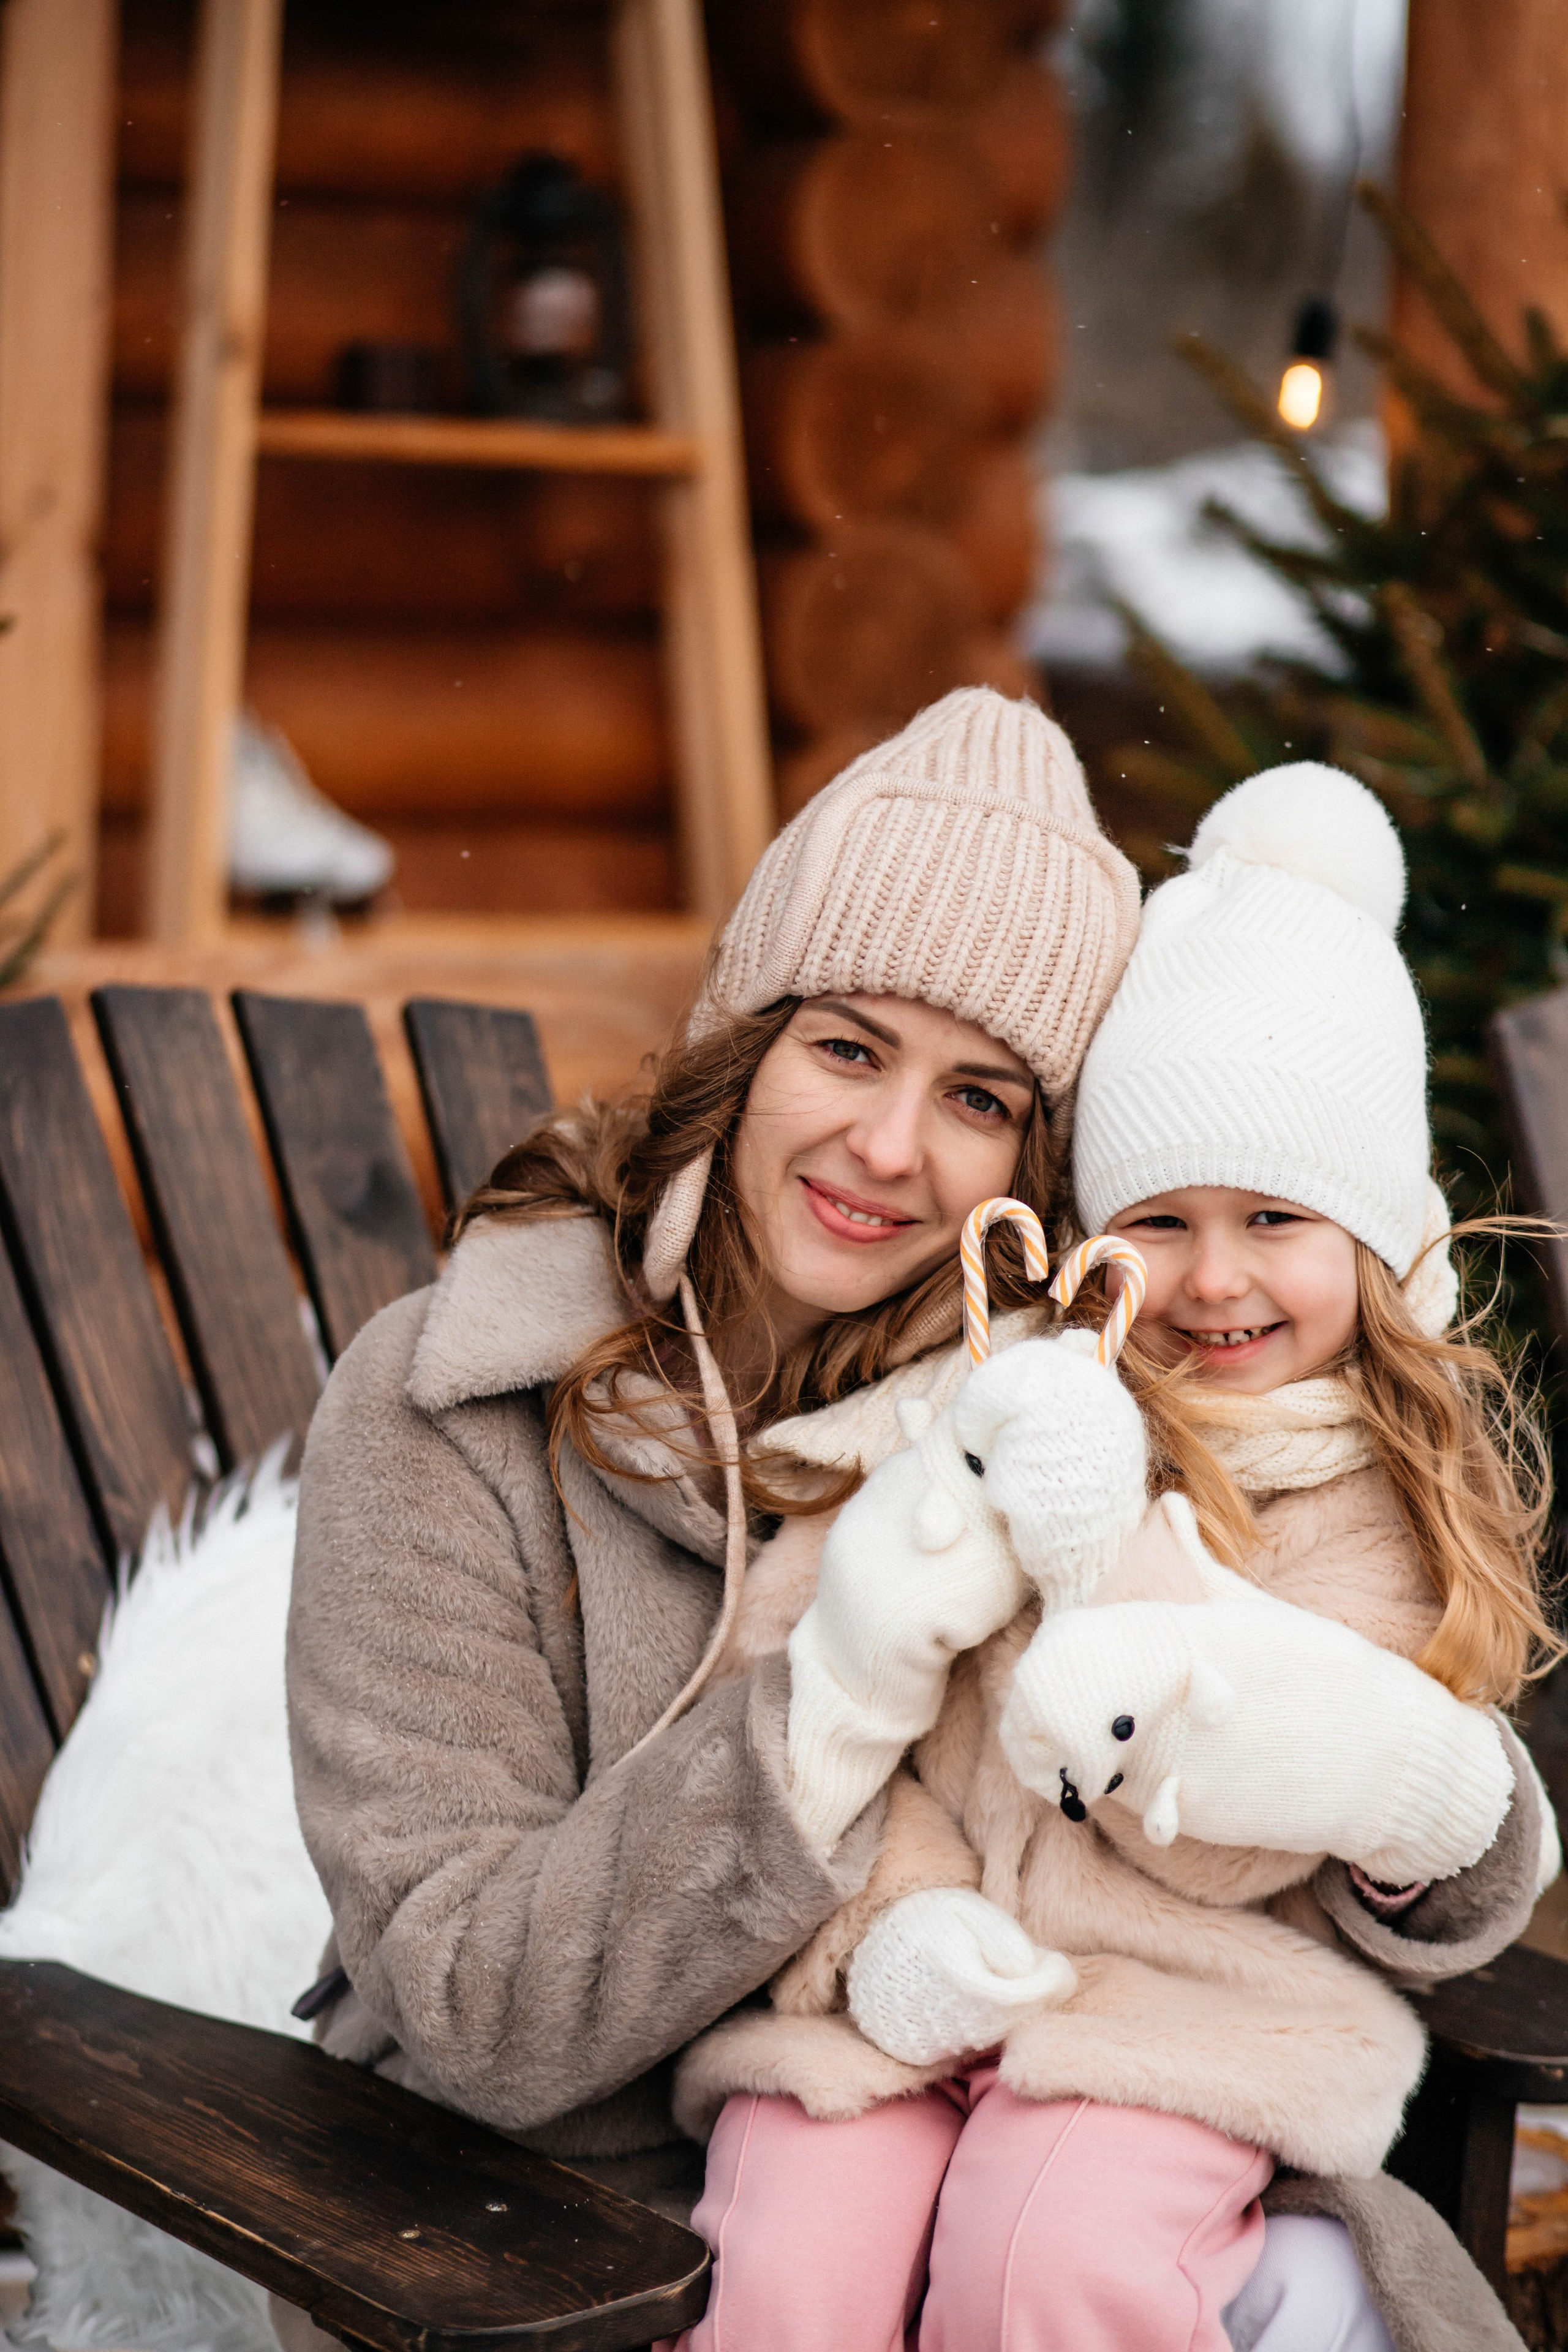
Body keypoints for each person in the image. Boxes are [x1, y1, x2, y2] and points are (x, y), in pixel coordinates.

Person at [283, 699, 1543, 2352]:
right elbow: (465, 2006)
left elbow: (1300, 1721)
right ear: (748, 1039)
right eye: (850, 1048)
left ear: (1045, 1166)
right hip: (547, 2235)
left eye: (982, 1098)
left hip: (1017, 2148)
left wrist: (1444, 1809)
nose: (890, 1150)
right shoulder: (456, 1408)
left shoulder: (1074, 1387)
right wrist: (840, 1691)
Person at [668, 763, 1558, 2352]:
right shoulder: (995, 1398)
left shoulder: (1376, 1511)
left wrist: (1100, 1552)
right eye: (1159, 1218)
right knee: (794, 2253)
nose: (1214, 1278)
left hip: (1181, 2019)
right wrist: (896, 1928)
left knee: (1048, 2267)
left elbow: (1219, 1840)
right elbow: (797, 1685)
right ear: (1084, 1233)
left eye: (1276, 1220)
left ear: (1368, 1240)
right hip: (918, 1989)